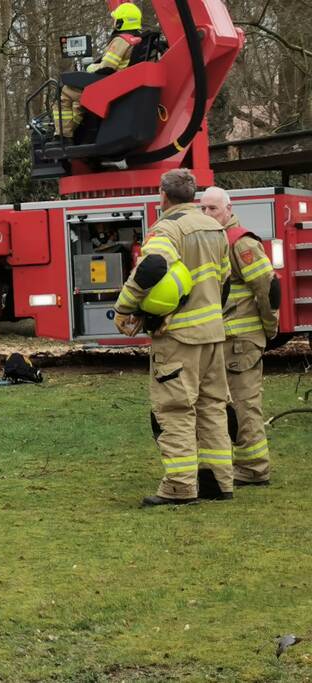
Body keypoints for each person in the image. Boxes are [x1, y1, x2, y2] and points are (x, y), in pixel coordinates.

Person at [113, 168, 233, 506]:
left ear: (162, 195)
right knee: (212, 407)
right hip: (213, 335)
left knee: (176, 409)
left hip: (179, 337)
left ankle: (180, 487)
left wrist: (125, 308)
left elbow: (152, 266)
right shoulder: (215, 227)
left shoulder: (168, 228)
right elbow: (223, 282)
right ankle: (219, 481)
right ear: (193, 196)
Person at [200, 186, 280, 486]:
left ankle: (255, 468)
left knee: (245, 405)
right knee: (225, 405)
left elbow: (267, 288)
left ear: (229, 209)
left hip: (241, 343)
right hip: (224, 341)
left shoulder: (241, 242)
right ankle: (240, 464)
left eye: (213, 209)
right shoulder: (214, 240)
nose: (207, 213)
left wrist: (270, 330)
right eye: (203, 209)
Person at [54, 2, 143, 139]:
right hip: (121, 87)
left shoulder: (121, 41)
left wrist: (90, 67)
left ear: (120, 22)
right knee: (78, 101)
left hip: (109, 88)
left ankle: (63, 136)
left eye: (115, 19)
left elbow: (107, 67)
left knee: (65, 92)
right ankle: (74, 132)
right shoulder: (137, 40)